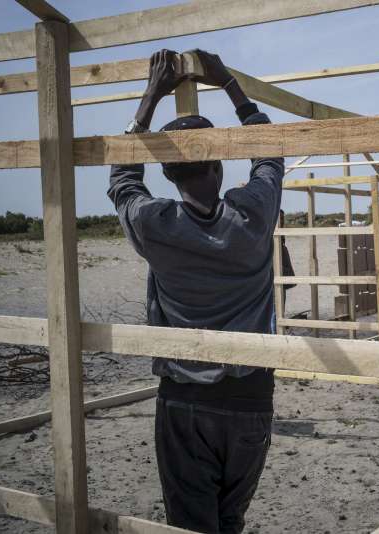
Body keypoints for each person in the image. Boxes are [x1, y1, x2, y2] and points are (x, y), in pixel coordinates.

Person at [107, 49, 283, 533]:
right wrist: (229, 84)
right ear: (220, 165)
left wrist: (151, 96)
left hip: (183, 397)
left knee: (191, 525)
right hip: (249, 395)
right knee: (230, 520)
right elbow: (269, 148)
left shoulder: (154, 225)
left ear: (165, 172)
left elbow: (122, 175)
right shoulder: (251, 215)